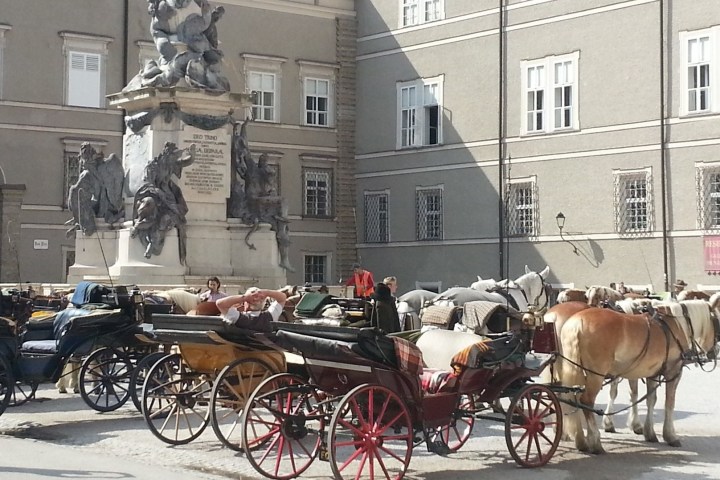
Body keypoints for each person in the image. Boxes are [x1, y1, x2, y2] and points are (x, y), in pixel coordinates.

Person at [216, 287, 287, 332]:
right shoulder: (237, 316)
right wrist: (246, 297)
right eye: (252, 297)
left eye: (260, 298)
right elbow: (219, 303)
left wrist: (265, 293)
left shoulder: (271, 315)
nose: (255, 299)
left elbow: (283, 297)